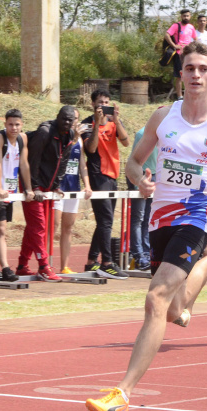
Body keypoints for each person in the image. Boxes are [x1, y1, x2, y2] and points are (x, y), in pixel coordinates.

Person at [87, 42, 207, 411]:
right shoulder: (163, 117)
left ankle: (122, 392)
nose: (196, 74)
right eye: (190, 68)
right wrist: (140, 180)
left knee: (155, 298)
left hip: (202, 212)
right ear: (181, 74)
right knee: (172, 311)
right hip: (162, 214)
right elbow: (133, 162)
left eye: (203, 69)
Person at [19, 106, 79, 282]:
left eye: (70, 120)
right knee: (39, 226)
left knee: (34, 227)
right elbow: (33, 160)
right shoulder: (45, 132)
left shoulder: (70, 134)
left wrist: (56, 185)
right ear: (57, 117)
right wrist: (34, 187)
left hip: (48, 186)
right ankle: (44, 266)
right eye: (64, 118)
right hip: (33, 185)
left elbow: (64, 160)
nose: (66, 122)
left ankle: (22, 265)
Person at [82, 89, 130, 279]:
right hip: (97, 175)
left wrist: (116, 121)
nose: (103, 105)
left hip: (112, 175)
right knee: (106, 221)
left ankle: (91, 261)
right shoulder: (87, 123)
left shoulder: (113, 121)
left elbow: (126, 142)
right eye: (100, 102)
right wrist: (96, 124)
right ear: (93, 104)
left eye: (106, 102)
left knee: (104, 221)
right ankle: (107, 263)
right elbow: (91, 148)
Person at [0, 109, 33, 282]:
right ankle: (5, 268)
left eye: (17, 124)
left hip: (11, 191)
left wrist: (29, 188)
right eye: (10, 124)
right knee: (0, 230)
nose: (14, 128)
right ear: (5, 124)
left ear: (22, 125)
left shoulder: (22, 139)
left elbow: (24, 164)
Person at [55, 110, 92, 274]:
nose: (74, 122)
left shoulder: (80, 140)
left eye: (76, 119)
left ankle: (64, 266)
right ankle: (45, 264)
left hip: (73, 188)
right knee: (53, 226)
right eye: (71, 119)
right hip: (58, 188)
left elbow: (82, 164)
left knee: (68, 228)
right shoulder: (61, 136)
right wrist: (74, 138)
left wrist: (87, 185)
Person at [127, 126, 157, 271]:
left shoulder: (168, 133)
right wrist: (137, 180)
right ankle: (137, 254)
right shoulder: (142, 133)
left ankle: (146, 252)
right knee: (138, 217)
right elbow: (134, 160)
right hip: (141, 175)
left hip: (155, 175)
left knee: (148, 218)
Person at [163, 9, 197, 99]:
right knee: (179, 75)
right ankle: (180, 96)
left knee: (190, 74)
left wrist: (194, 48)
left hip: (189, 54)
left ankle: (189, 94)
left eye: (187, 16)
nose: (186, 17)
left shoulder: (191, 27)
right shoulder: (176, 26)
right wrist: (174, 45)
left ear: (190, 16)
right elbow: (167, 35)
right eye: (184, 16)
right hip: (179, 54)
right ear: (181, 16)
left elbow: (195, 39)